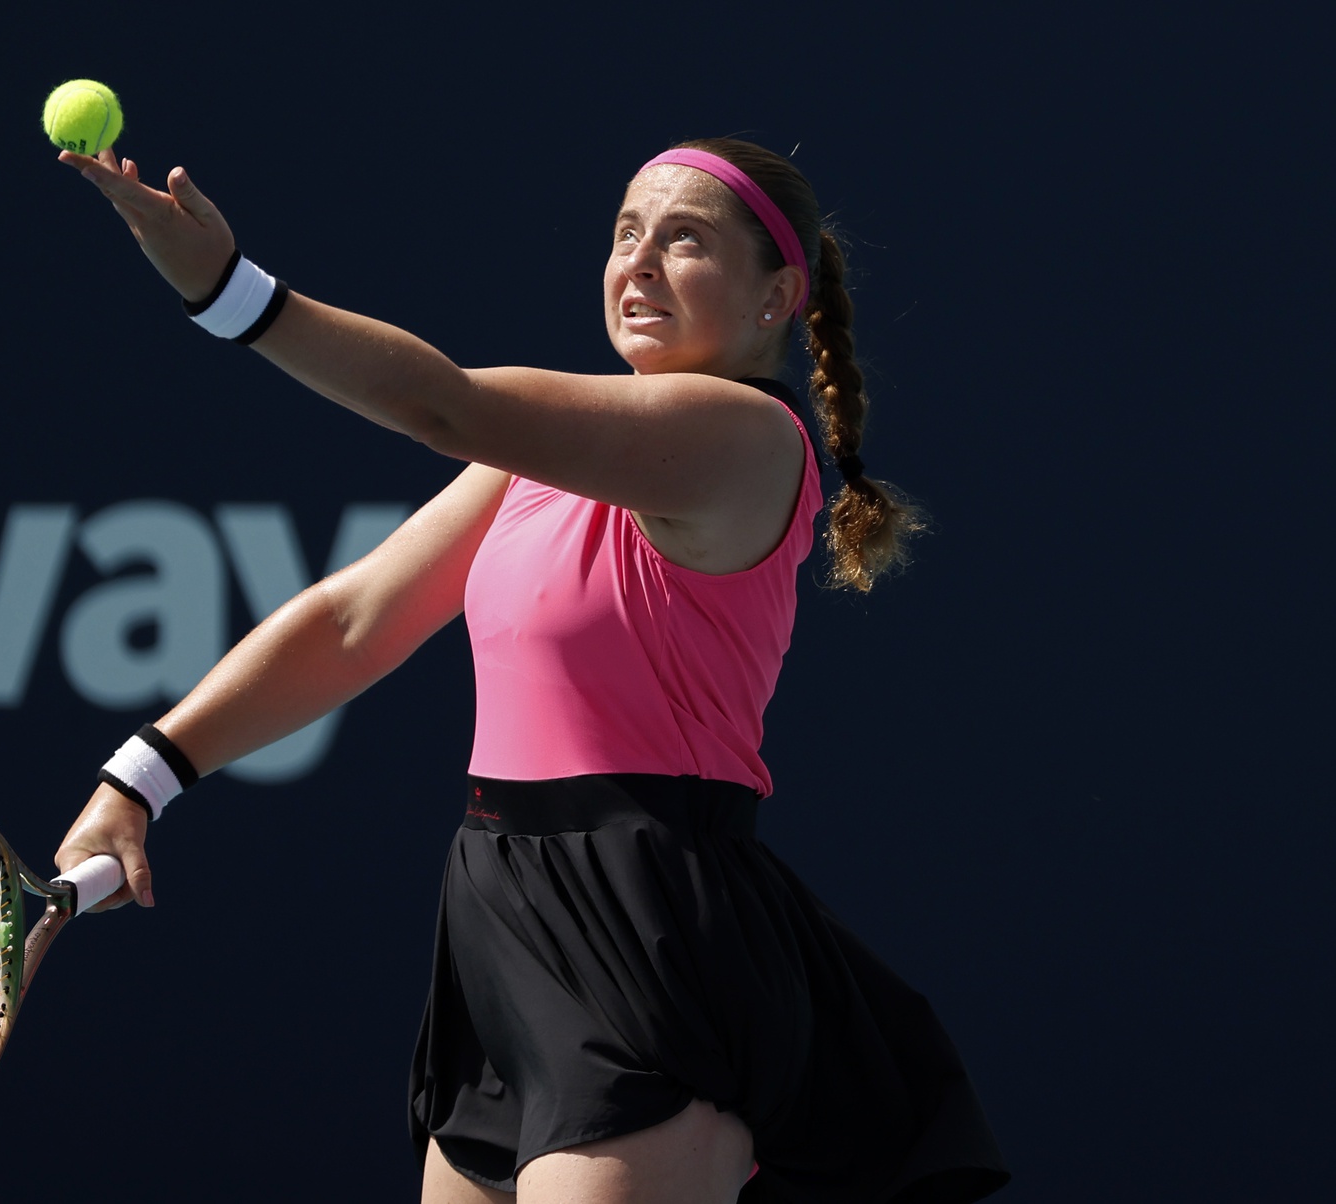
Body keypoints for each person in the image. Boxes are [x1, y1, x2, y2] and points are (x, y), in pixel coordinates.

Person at [55, 135, 1009, 1203]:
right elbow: (354, 618)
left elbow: (442, 405)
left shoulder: (746, 437)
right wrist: (139, 779)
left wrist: (229, 292)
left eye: (683, 240)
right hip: (499, 912)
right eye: (624, 234)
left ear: (776, 296)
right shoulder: (539, 467)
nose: (638, 262)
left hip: (650, 929)